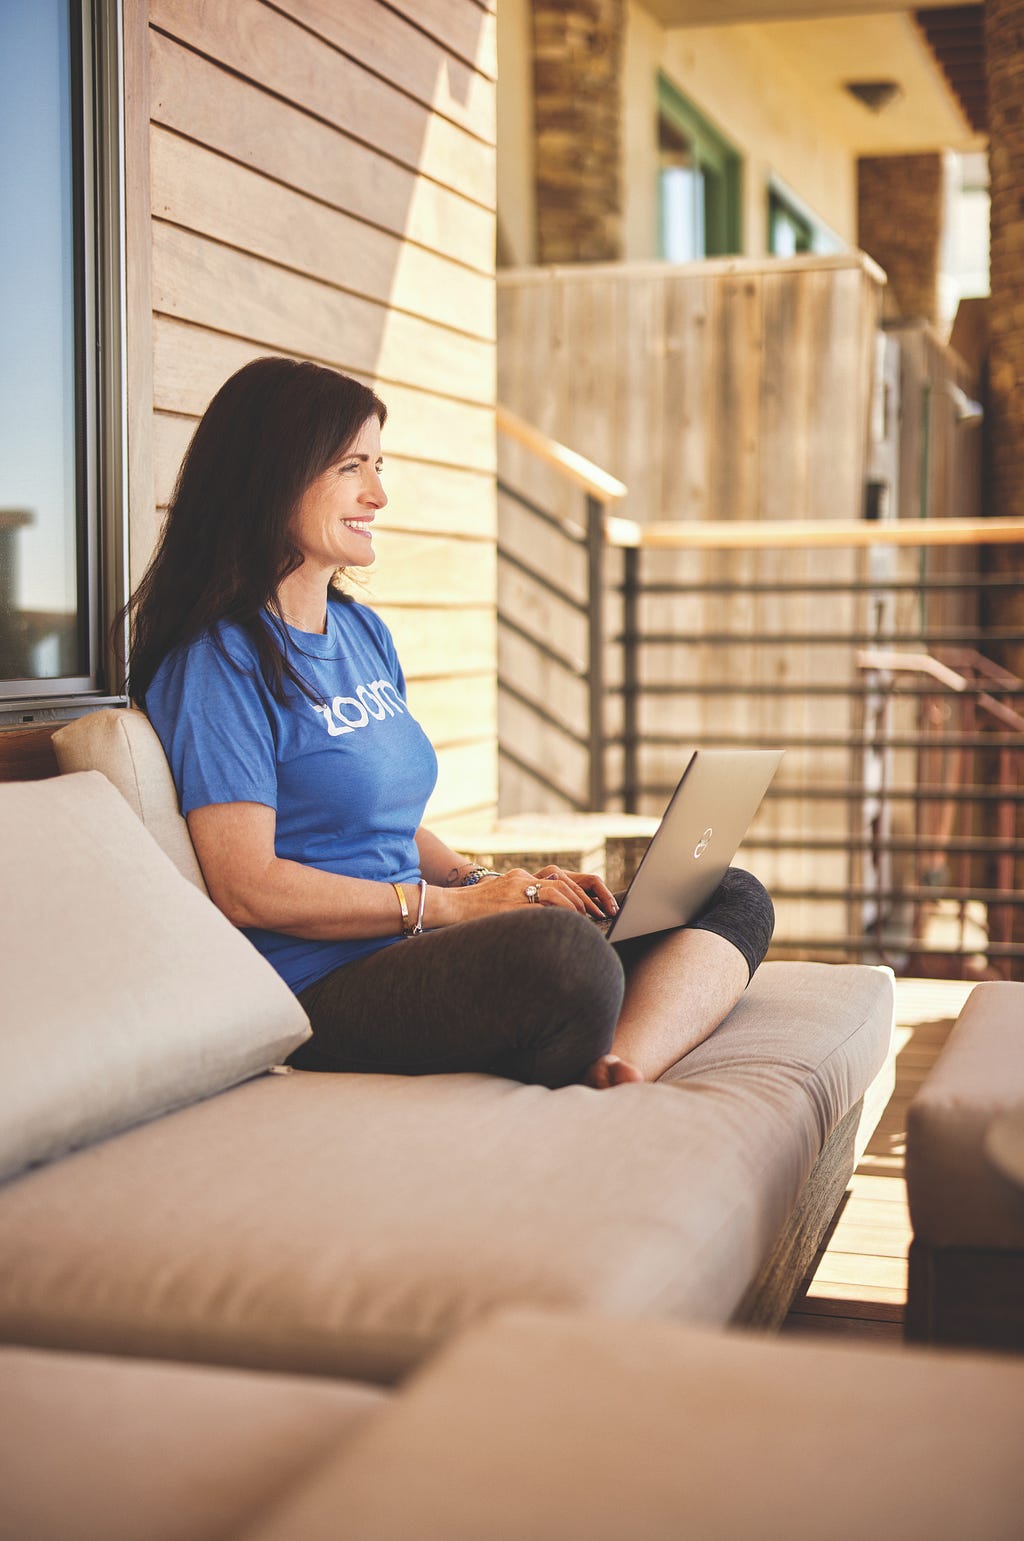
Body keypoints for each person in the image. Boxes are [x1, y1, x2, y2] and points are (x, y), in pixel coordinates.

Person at [128, 356, 774, 1090]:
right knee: (563, 958)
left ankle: (619, 1061)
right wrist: (455, 908)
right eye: (352, 467)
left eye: (379, 465)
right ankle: (598, 1034)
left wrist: (498, 881)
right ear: (273, 475)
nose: (379, 493)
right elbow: (250, 886)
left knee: (727, 891)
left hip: (421, 935)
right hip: (329, 984)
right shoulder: (218, 663)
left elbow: (391, 828)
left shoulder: (360, 633)